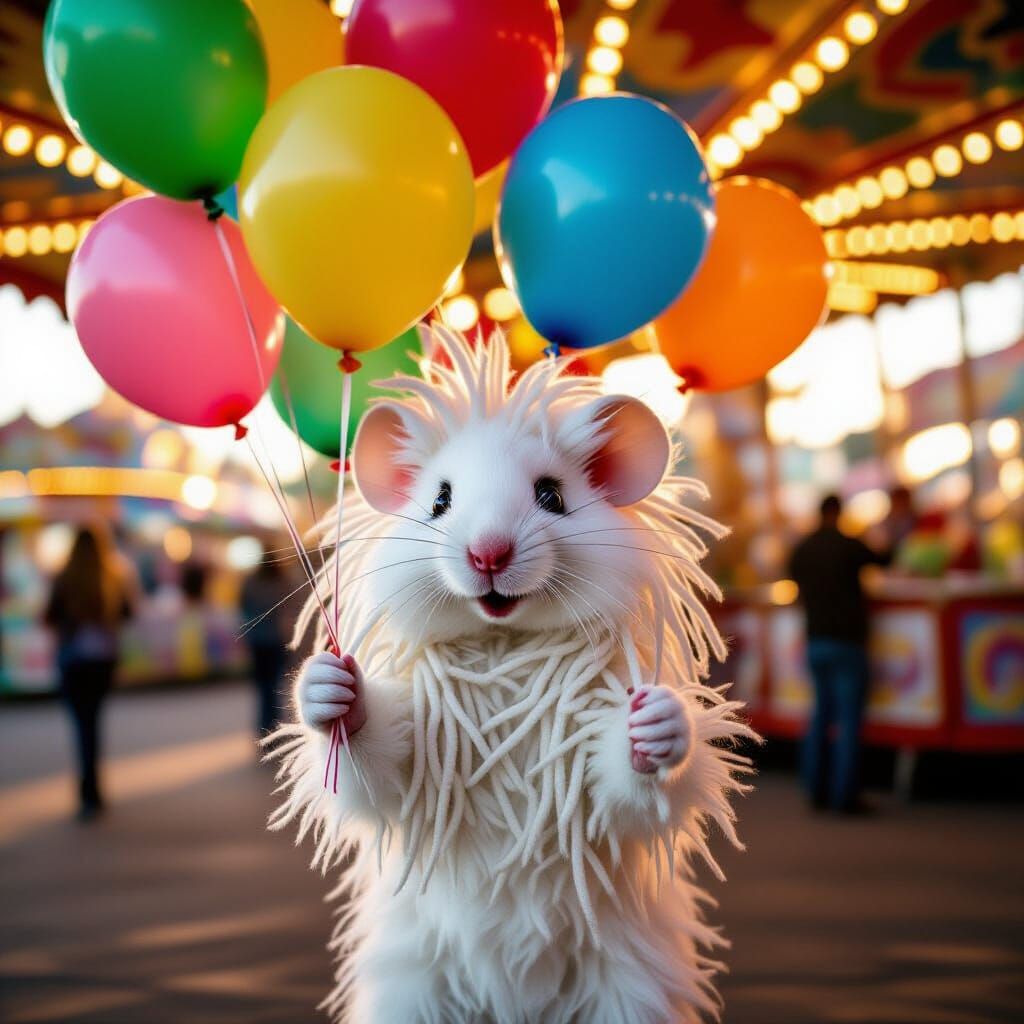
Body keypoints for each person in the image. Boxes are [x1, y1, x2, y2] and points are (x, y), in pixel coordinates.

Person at [788, 495, 890, 813]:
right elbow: (884, 559)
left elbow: (792, 582)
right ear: (839, 513)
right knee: (848, 720)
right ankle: (844, 795)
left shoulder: (802, 549)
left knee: (820, 714)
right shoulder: (849, 545)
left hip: (815, 640)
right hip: (847, 642)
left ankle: (815, 790)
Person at [45, 525, 132, 821]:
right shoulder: (114, 576)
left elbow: (49, 615)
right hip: (103, 659)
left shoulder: (64, 577)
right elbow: (128, 613)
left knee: (81, 724)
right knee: (93, 721)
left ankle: (88, 790)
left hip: (73, 659)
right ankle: (93, 789)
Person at [239, 558, 294, 736]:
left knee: (263, 685)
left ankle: (264, 725)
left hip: (257, 639)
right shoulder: (282, 581)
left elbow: (243, 607)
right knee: (273, 684)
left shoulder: (251, 581)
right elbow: (289, 608)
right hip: (276, 638)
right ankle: (273, 724)